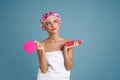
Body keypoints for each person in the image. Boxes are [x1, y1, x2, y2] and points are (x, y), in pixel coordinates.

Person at [34, 11, 80, 80]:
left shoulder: (67, 42)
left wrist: (65, 49)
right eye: (48, 23)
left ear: (59, 23)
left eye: (55, 21)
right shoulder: (41, 44)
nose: (52, 25)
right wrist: (42, 51)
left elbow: (68, 67)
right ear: (44, 27)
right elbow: (43, 70)